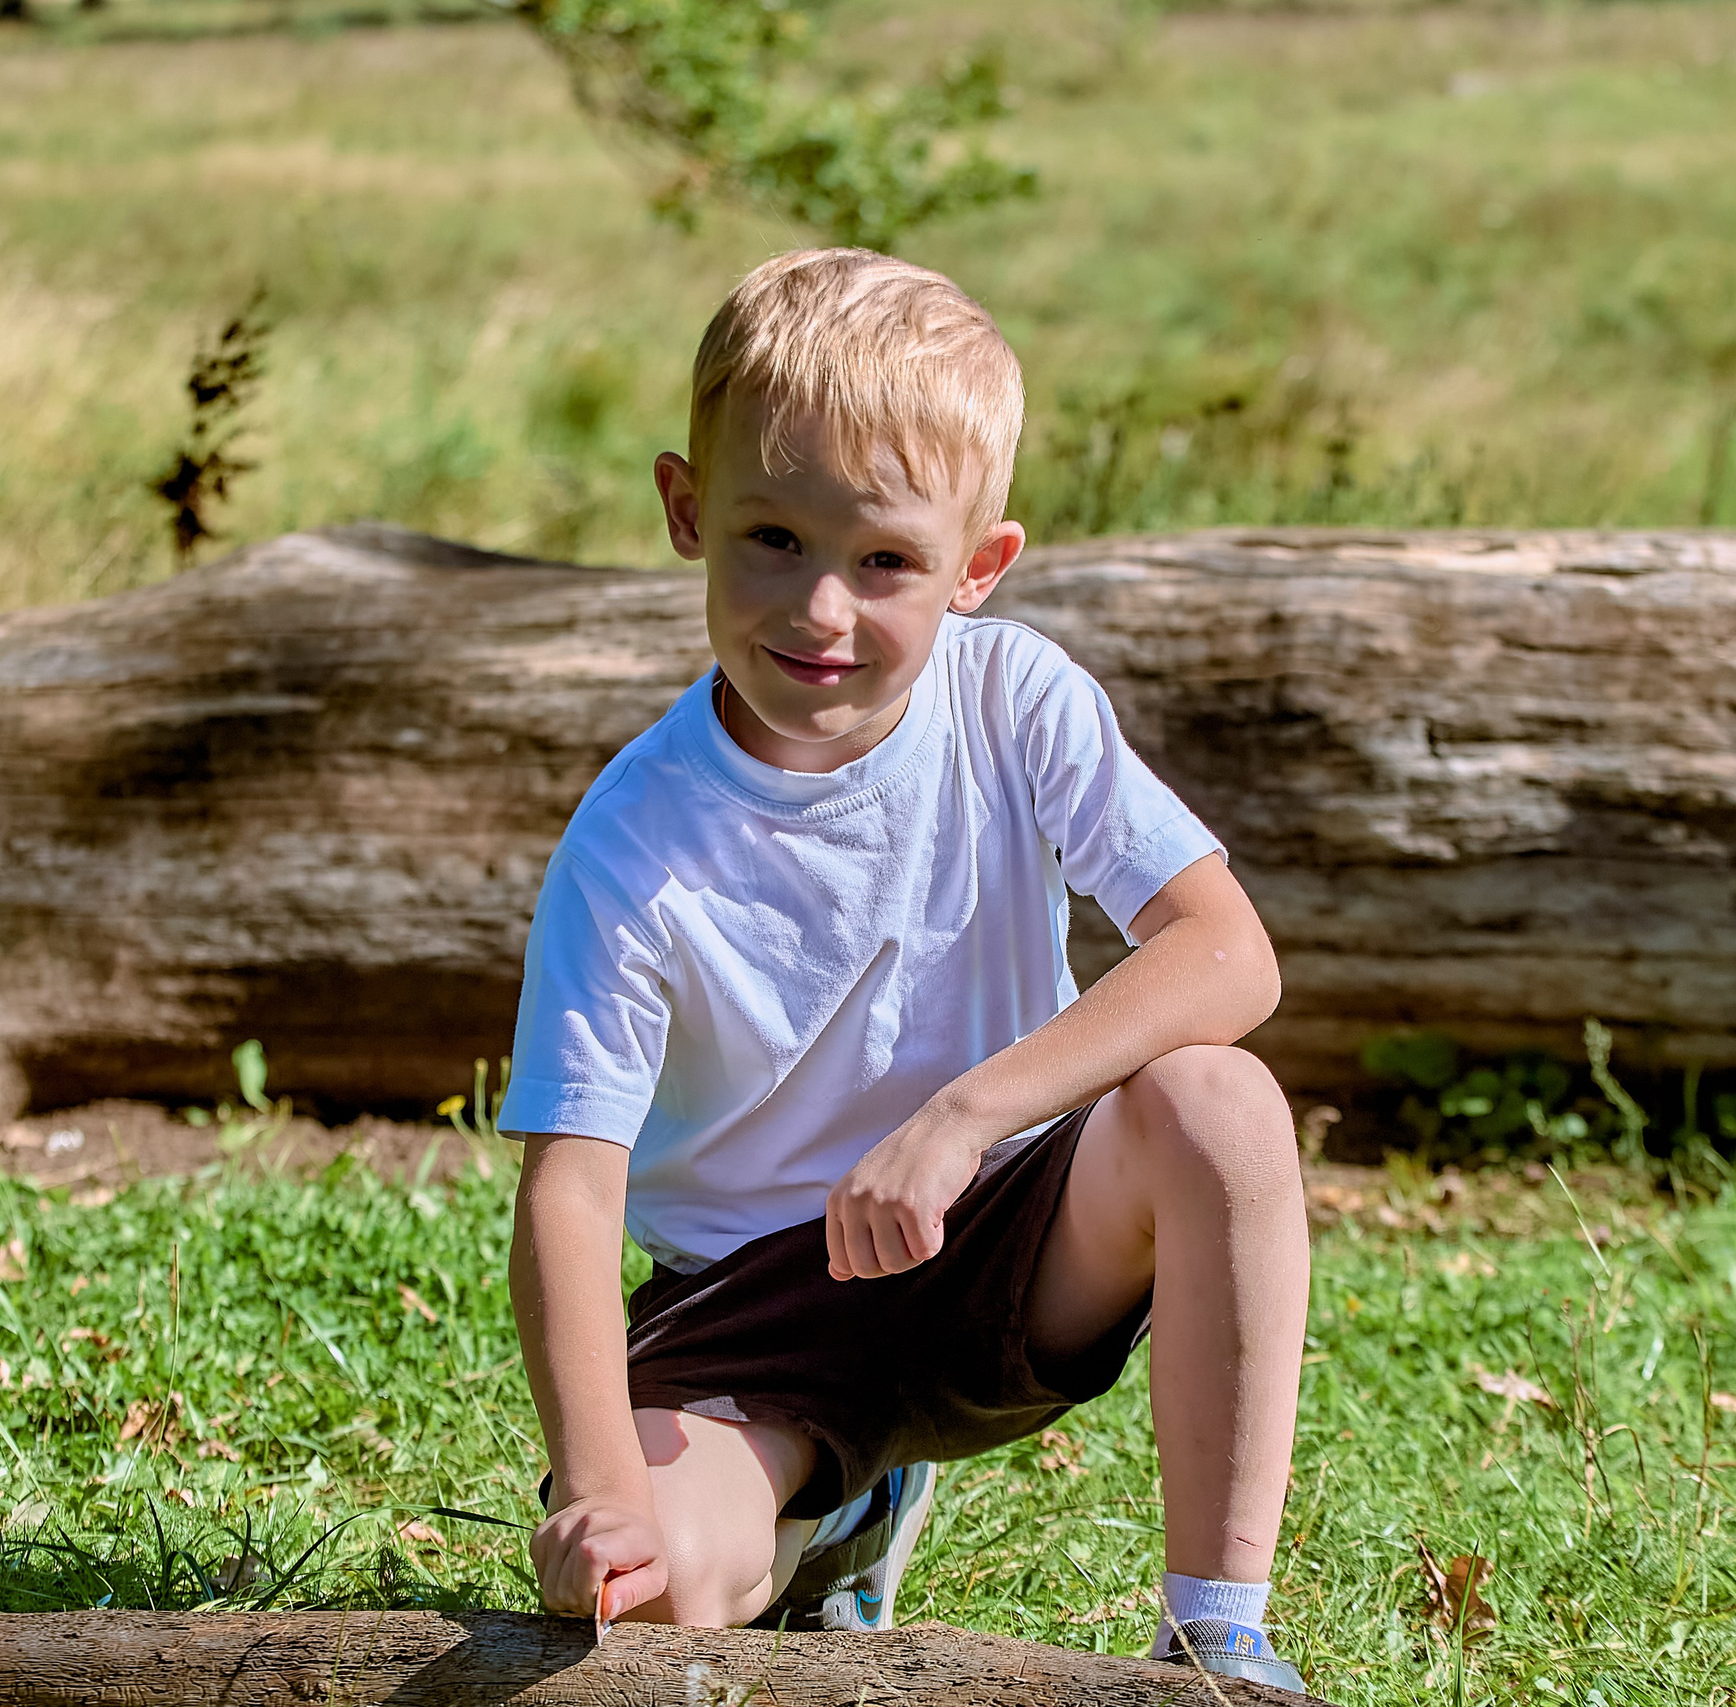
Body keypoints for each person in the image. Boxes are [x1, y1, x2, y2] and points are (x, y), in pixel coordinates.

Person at [497, 247, 1310, 1693]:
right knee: (650, 1595)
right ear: (686, 510)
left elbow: (1227, 953)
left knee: (1222, 1103)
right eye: (772, 538)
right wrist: (600, 1492)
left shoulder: (1015, 700)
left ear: (976, 569)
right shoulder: (634, 839)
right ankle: (831, 1515)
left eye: (884, 562)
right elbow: (570, 1187)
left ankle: (1217, 1635)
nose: (821, 609)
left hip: (1001, 1230)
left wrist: (965, 1117)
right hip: (747, 1311)